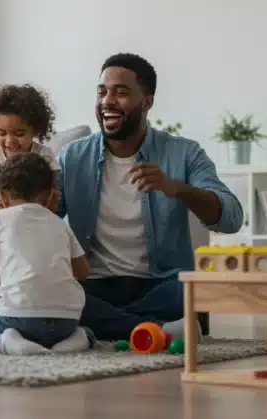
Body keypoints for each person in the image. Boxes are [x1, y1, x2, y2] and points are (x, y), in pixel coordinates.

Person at [55, 53, 244, 341]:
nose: (107, 101)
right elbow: (44, 212)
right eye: (102, 91)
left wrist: (177, 188)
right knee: (55, 294)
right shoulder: (72, 156)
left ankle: (110, 325)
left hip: (161, 285)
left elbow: (231, 217)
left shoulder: (183, 153)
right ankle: (150, 330)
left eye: (121, 92)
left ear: (147, 101)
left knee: (193, 289)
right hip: (92, 283)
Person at [0, 153, 92, 354]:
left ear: (1, 196)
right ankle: (77, 340)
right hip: (68, 319)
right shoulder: (60, 224)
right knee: (87, 331)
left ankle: (4, 342)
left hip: (18, 317)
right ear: (50, 196)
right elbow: (83, 271)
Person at [0, 83, 61, 325]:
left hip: (29, 235)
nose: (9, 140)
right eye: (1, 132)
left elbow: (53, 200)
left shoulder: (44, 156)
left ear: (35, 129)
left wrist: (21, 216)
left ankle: (35, 323)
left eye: (19, 133)